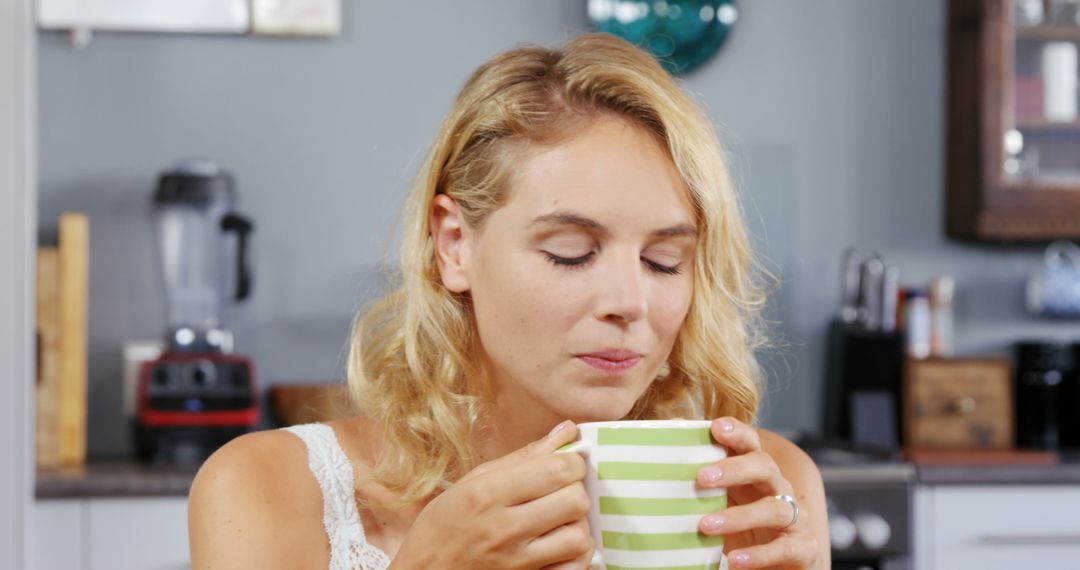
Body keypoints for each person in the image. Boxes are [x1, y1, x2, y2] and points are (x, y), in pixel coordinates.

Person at [188, 32, 829, 569]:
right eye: (571, 251)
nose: (630, 303)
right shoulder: (268, 488)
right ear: (455, 244)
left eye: (666, 261)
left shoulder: (766, 489)